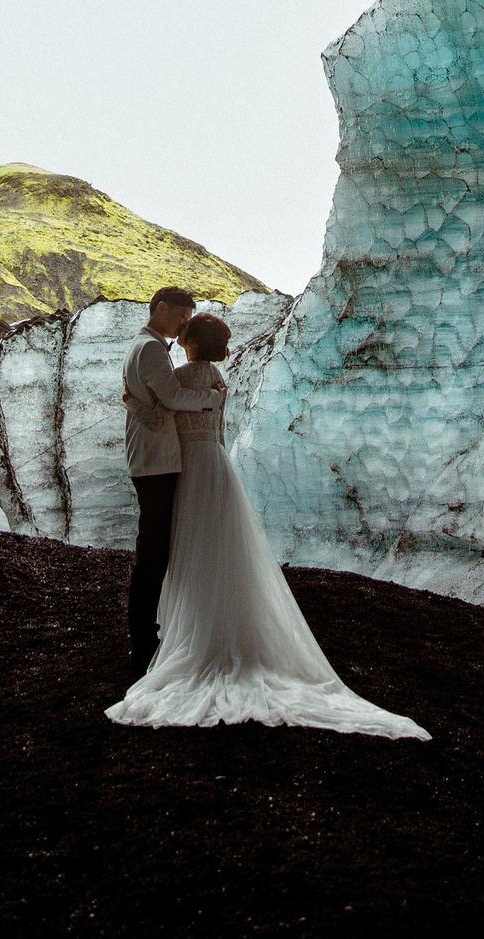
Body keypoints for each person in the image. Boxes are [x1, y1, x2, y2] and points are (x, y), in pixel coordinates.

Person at [108, 310, 428, 739]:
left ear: (192, 342)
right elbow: (216, 428)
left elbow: (163, 411)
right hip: (216, 466)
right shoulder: (218, 381)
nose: (180, 333)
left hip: (190, 469)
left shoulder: (182, 376)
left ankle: (189, 634)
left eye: (186, 330)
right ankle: (228, 629)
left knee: (191, 549)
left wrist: (130, 398)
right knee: (222, 546)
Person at [122, 286, 223, 678]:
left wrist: (131, 401)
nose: (185, 324)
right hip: (155, 460)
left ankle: (149, 639)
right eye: (182, 315)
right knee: (153, 555)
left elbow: (158, 400)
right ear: (161, 308)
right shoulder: (149, 349)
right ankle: (144, 644)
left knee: (156, 550)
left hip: (156, 457)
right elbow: (174, 396)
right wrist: (213, 400)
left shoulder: (146, 346)